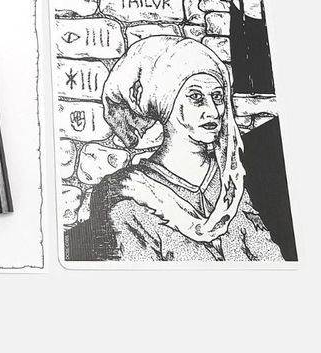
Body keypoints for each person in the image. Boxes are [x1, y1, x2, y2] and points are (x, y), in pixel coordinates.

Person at [89, 35, 283, 261]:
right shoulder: (125, 195)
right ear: (164, 103)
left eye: (217, 97)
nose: (213, 111)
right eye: (196, 97)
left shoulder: (230, 181)